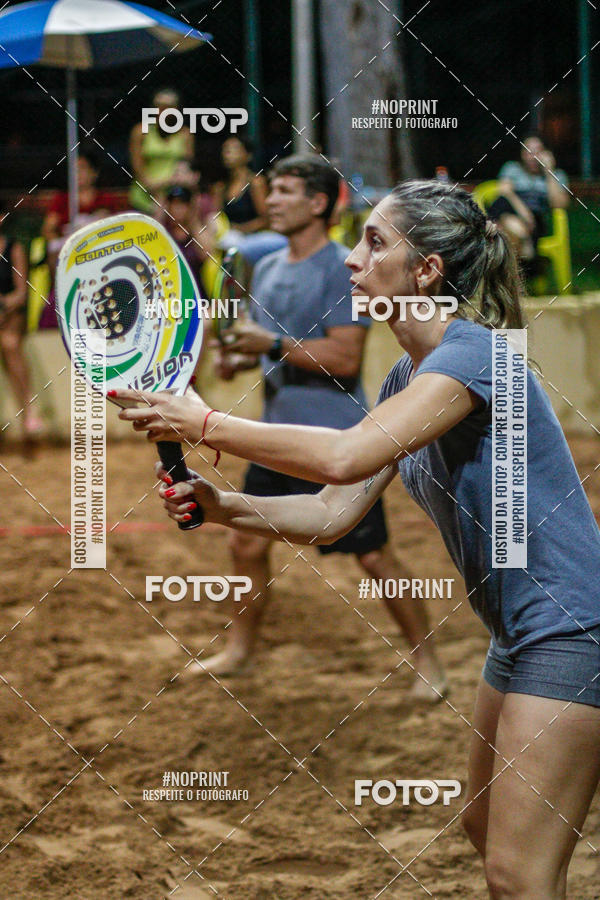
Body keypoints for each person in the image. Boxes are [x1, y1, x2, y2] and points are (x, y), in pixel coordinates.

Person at [115, 179, 600, 899]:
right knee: (484, 826)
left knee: (517, 874)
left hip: (570, 630)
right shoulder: (410, 375)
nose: (352, 259)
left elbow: (345, 455)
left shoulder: (474, 356)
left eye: (375, 242)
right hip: (518, 633)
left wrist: (205, 424)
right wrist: (223, 507)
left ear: (427, 270)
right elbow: (333, 511)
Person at [202, 154, 447, 699]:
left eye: (286, 190)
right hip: (277, 438)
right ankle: (239, 648)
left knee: (373, 555)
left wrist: (265, 345)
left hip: (339, 442)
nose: (274, 200)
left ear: (317, 203)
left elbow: (342, 360)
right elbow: (278, 352)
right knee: (245, 547)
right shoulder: (265, 266)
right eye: (274, 190)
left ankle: (428, 662)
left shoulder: (348, 268)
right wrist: (239, 359)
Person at [489, 134, 570, 273]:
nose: (531, 156)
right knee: (504, 209)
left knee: (504, 229)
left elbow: (559, 204)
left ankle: (516, 269)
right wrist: (524, 213)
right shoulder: (512, 168)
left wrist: (549, 172)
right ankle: (527, 251)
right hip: (512, 212)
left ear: (546, 153)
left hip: (536, 221)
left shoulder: (558, 175)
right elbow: (505, 193)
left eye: (537, 151)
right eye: (527, 151)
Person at [0, 216, 43, 437]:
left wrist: (3, 306)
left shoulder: (13, 248)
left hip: (11, 314)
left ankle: (29, 410)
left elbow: (21, 293)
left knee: (9, 344)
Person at [215, 136, 286, 264]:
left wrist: (242, 229)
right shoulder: (221, 187)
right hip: (230, 240)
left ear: (247, 156)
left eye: (234, 148)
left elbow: (266, 220)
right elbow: (219, 218)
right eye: (225, 149)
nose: (228, 153)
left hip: (255, 239)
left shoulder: (256, 183)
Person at [128, 88, 195, 214]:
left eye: (168, 107)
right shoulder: (140, 131)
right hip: (144, 196)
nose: (163, 111)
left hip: (174, 199)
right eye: (158, 106)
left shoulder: (186, 134)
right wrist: (158, 186)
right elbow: (137, 168)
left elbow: (187, 165)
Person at [158, 185, 215, 295]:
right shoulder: (163, 231)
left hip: (197, 296)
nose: (176, 208)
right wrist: (160, 213)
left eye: (181, 204)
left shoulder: (195, 230)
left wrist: (193, 219)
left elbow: (206, 254)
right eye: (173, 204)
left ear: (190, 207)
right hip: (169, 294)